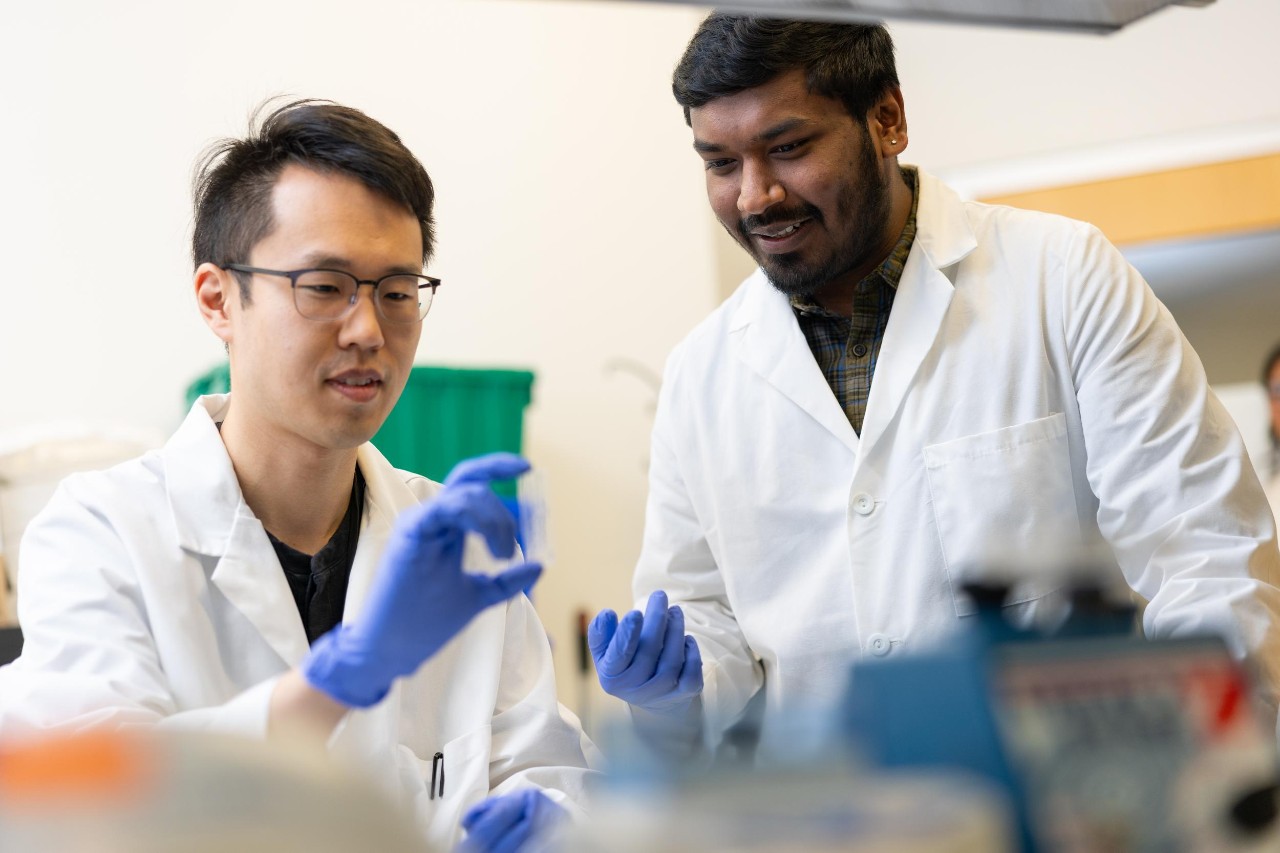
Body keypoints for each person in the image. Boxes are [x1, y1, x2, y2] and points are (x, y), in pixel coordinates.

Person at [588, 14, 1280, 758]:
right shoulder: (700, 374)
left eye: (788, 148)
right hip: (831, 803)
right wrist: (673, 690)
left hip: (1066, 794)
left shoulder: (1063, 278)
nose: (755, 196)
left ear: (887, 119)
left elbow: (1205, 558)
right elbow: (704, 619)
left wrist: (1217, 777)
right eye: (722, 163)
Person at [0, 100, 591, 851]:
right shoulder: (99, 535)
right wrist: (337, 683)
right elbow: (94, 798)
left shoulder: (454, 544)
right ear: (219, 300)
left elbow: (547, 768)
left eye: (397, 291)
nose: (368, 330)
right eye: (324, 286)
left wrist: (549, 818)